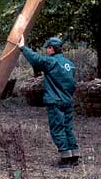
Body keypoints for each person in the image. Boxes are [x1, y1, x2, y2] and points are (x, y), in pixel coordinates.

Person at [18, 35, 80, 168]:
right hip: (67, 101)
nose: (46, 50)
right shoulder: (70, 65)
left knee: (57, 129)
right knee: (68, 128)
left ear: (52, 49)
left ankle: (65, 158)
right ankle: (74, 155)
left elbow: (36, 60)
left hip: (55, 102)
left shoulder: (51, 62)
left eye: (48, 48)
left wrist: (23, 47)